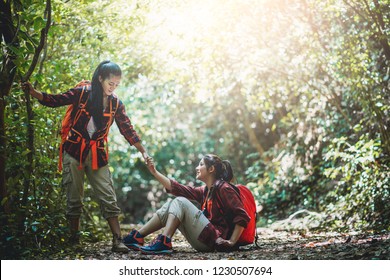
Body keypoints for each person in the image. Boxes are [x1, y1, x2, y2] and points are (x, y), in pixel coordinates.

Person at [22, 60, 150, 253]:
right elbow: (57, 100)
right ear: (100, 78)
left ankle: (117, 240)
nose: (113, 88)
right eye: (110, 83)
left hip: (97, 154)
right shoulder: (82, 93)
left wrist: (143, 150)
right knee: (74, 198)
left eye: (116, 85)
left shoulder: (116, 103)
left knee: (108, 196)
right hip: (73, 151)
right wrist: (34, 93)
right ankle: (74, 241)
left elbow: (127, 128)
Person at [123, 154, 250, 254]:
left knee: (180, 202)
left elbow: (242, 215)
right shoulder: (206, 190)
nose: (197, 167)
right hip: (206, 238)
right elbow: (178, 189)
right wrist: (154, 172)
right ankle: (137, 237)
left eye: (201, 164)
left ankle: (165, 241)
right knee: (170, 205)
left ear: (211, 169)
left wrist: (231, 242)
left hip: (216, 241)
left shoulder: (224, 188)